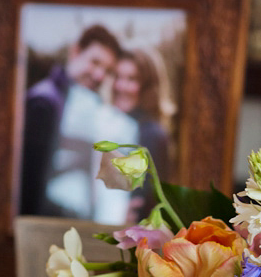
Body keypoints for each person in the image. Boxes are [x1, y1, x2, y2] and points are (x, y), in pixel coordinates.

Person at [19, 24, 122, 215]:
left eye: (107, 70)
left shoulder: (79, 104)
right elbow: (30, 187)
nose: (99, 75)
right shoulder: (44, 102)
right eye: (95, 62)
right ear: (75, 52)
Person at [110, 48, 174, 222]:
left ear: (148, 87)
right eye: (118, 77)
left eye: (131, 79)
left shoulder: (151, 134)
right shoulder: (114, 124)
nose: (120, 86)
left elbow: (142, 202)